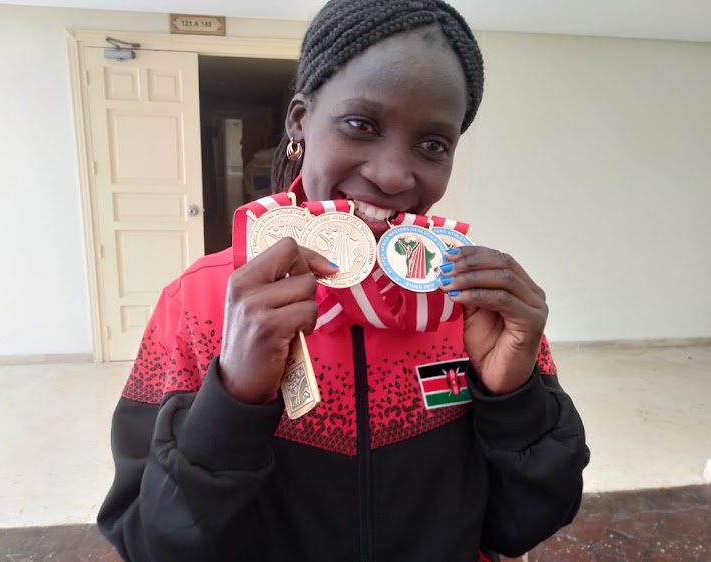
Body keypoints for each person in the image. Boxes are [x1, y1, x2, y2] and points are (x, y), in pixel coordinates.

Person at [97, 1, 589, 560]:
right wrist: (232, 400)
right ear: (300, 119)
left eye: (432, 144)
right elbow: (152, 542)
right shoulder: (200, 301)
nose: (392, 173)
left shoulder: (476, 307)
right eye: (361, 125)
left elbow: (523, 525)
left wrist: (515, 399)